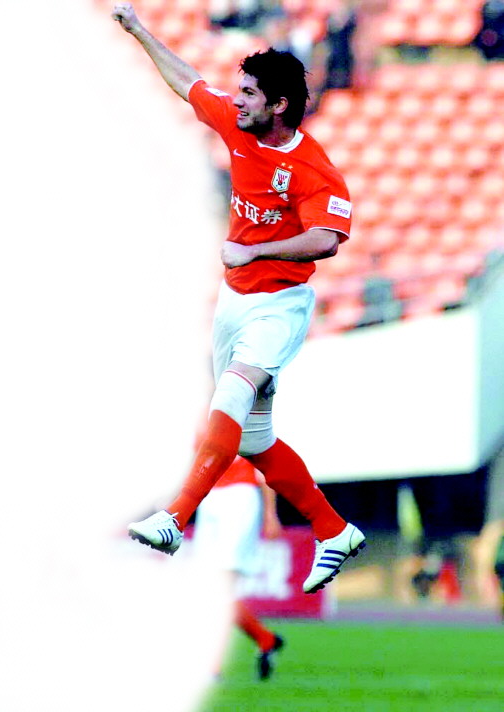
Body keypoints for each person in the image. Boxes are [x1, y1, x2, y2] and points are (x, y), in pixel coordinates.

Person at [112, 3, 366, 595]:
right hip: (234, 303)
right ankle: (334, 530)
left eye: (249, 93)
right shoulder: (237, 124)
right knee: (253, 440)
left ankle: (175, 518)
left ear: (279, 105)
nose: (238, 100)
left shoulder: (312, 168)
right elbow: (188, 82)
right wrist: (139, 30)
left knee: (229, 394)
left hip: (279, 304)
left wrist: (255, 252)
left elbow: (327, 239)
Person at [192, 454, 284, 680]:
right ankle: (265, 639)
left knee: (222, 586)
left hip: (240, 496)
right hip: (209, 494)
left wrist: (270, 514)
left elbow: (264, 468)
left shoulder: (247, 431)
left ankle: (212, 667)